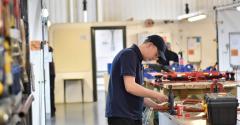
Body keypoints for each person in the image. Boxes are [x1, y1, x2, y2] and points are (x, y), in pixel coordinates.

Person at [106, 35, 168, 125]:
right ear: (150, 45)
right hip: (122, 116)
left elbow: (137, 93)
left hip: (130, 114)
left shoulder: (136, 60)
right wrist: (157, 95)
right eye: (156, 54)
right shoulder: (129, 55)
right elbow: (130, 87)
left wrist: (155, 105)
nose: (155, 58)